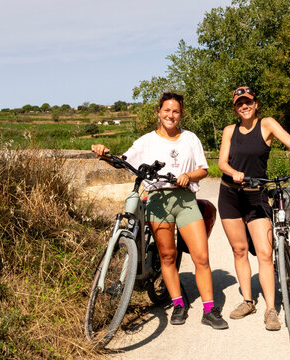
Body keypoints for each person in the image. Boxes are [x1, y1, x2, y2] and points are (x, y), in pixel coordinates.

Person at [92, 92, 228, 330]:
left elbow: (203, 169)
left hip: (185, 200)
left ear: (181, 114)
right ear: (159, 112)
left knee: (201, 257)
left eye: (175, 111)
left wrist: (188, 175)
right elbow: (123, 161)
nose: (170, 115)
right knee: (167, 256)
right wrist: (105, 155)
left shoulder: (190, 139)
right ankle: (178, 304)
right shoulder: (147, 141)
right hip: (157, 200)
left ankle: (209, 310)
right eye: (166, 110)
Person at [217, 86, 290, 330]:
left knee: (265, 253)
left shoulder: (267, 124)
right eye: (239, 103)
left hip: (256, 197)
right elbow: (222, 163)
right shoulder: (229, 131)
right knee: (239, 249)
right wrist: (235, 173)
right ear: (235, 108)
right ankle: (247, 300)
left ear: (256, 105)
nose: (244, 106)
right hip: (230, 195)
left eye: (248, 102)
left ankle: (271, 309)